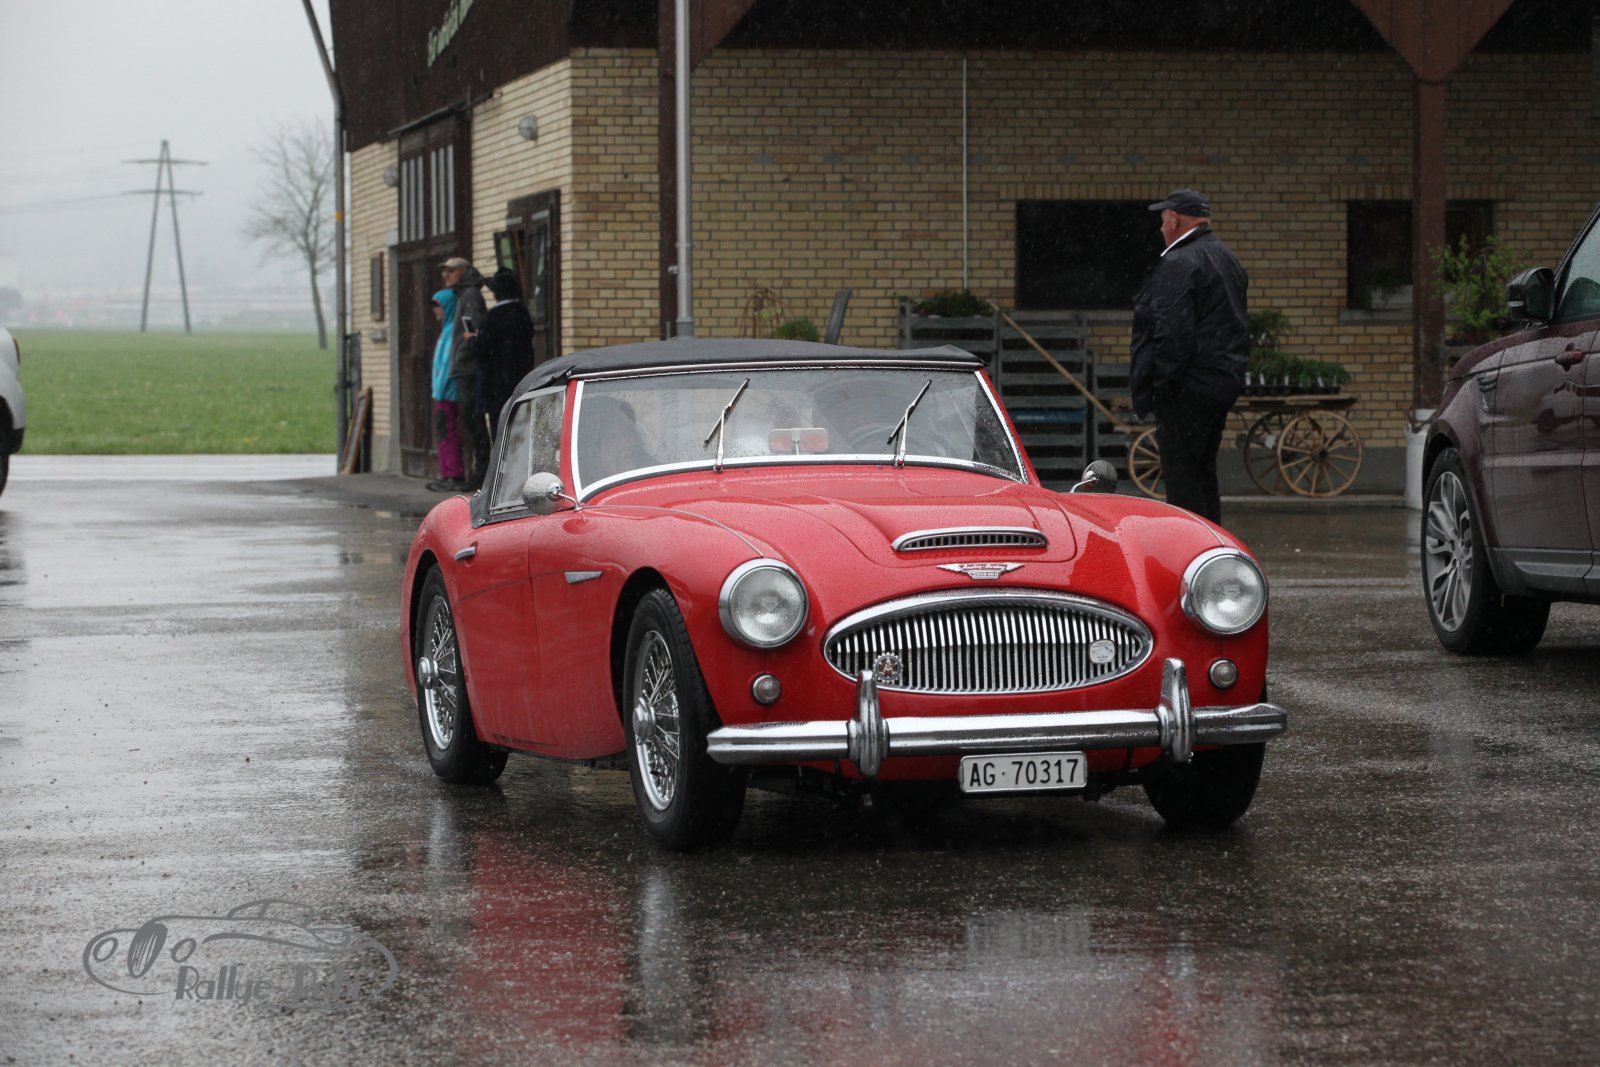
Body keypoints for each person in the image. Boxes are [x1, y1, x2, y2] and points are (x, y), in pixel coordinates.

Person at [1130, 188, 1249, 525]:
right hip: (1219, 383)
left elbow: (1172, 332)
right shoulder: (1226, 257)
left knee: (1183, 478)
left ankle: (1193, 548)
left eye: (1162, 220)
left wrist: (1161, 385)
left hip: (1187, 387)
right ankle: (1214, 542)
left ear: (1175, 220)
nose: (1160, 228)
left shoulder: (1179, 261)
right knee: (1204, 471)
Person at [461, 267, 535, 476]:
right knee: (519, 430)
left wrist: (472, 339)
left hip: (495, 385)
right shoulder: (522, 314)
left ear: (496, 293)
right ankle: (520, 473)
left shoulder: (493, 317)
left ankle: (502, 477)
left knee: (499, 432)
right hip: (519, 382)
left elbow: (482, 349)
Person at [439, 257, 487, 486]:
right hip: (465, 367)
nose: (446, 275)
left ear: (463, 271)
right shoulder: (464, 294)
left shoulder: (470, 295)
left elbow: (472, 333)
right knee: (470, 421)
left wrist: (462, 356)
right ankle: (480, 472)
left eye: (450, 270)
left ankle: (482, 473)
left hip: (468, 369)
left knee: (473, 420)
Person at [426, 288, 467, 492]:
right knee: (444, 432)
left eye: (438, 306)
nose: (436, 310)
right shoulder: (447, 329)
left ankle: (453, 474)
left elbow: (446, 365)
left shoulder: (451, 332)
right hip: (442, 392)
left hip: (447, 393)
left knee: (448, 432)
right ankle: (446, 473)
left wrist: (440, 390)